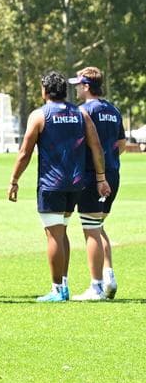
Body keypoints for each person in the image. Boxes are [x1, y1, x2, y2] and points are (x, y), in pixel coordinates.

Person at [8, 71, 111, 302]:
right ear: (64, 91)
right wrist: (101, 177)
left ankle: (56, 289)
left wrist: (14, 180)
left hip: (51, 184)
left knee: (53, 235)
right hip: (76, 184)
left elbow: (25, 153)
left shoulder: (39, 115)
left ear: (45, 91)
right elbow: (96, 147)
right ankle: (63, 285)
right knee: (61, 230)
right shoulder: (81, 113)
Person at [70, 67, 127, 300]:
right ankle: (109, 275)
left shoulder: (83, 111)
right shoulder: (113, 110)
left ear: (85, 86)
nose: (74, 88)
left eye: (77, 84)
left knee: (90, 227)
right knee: (98, 225)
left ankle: (96, 286)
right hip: (113, 173)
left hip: (92, 175)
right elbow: (121, 144)